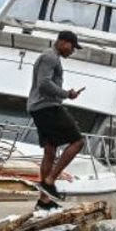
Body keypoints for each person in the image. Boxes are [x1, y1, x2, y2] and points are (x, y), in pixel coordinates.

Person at [29, 31, 86, 209]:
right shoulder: (50, 57)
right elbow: (44, 84)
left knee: (50, 150)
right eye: (72, 47)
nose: (72, 51)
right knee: (78, 141)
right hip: (47, 107)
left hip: (39, 107)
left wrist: (67, 94)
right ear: (62, 42)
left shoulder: (51, 57)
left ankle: (44, 201)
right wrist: (66, 94)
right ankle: (50, 180)